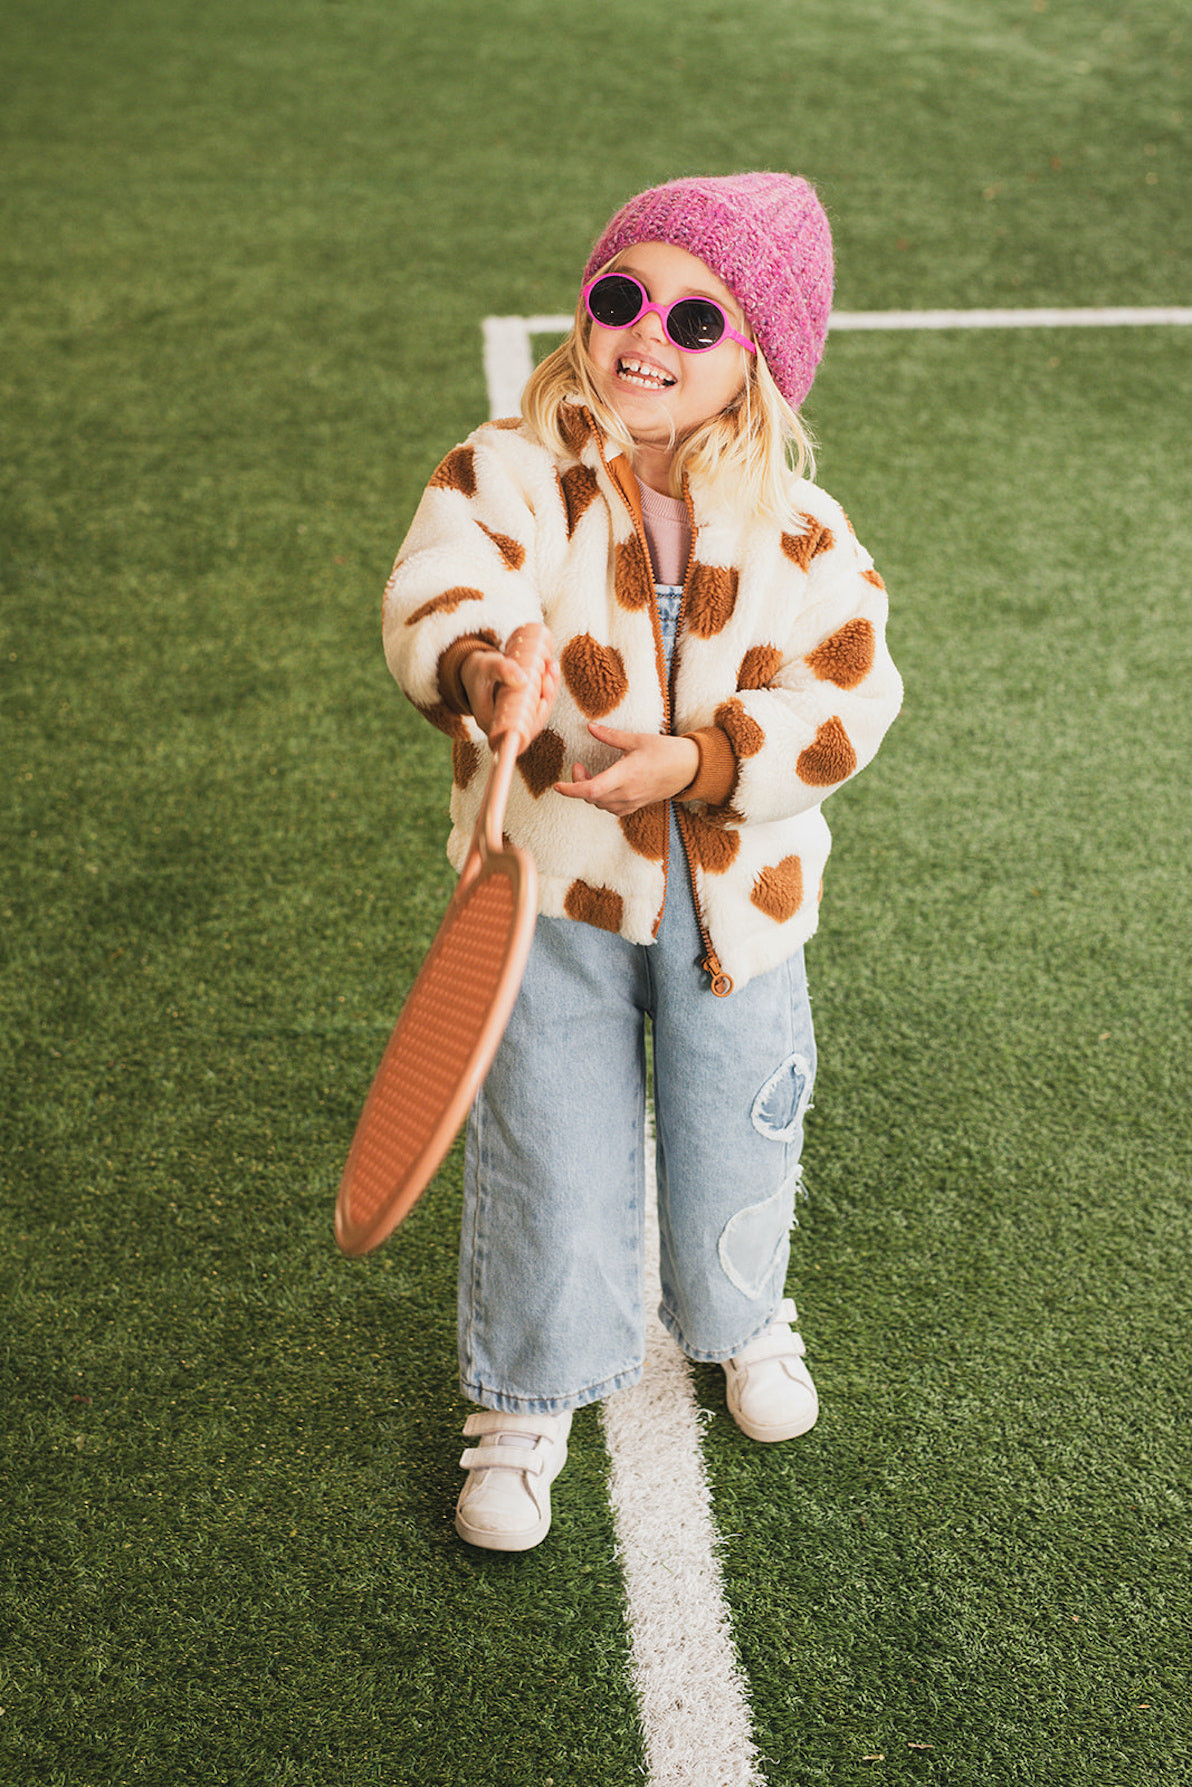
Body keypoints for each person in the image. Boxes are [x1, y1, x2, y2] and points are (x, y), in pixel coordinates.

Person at [382, 173, 902, 1551]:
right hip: (554, 881)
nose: (646, 334)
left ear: (758, 361)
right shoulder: (511, 470)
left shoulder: (803, 527)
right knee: (549, 1129)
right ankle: (529, 1392)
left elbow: (848, 699)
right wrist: (481, 667)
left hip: (738, 903)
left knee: (742, 1117)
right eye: (622, 295)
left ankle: (743, 1315)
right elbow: (447, 581)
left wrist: (708, 760)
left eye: (696, 317)